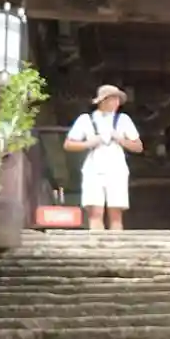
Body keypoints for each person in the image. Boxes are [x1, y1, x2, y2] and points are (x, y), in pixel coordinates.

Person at [64, 85, 143, 231]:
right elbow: (68, 144)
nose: (116, 102)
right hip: (93, 169)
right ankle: (96, 243)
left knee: (116, 213)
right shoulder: (86, 119)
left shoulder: (123, 120)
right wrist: (89, 143)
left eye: (118, 99)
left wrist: (120, 139)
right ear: (103, 101)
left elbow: (138, 147)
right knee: (95, 212)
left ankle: (116, 244)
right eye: (113, 99)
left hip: (117, 169)